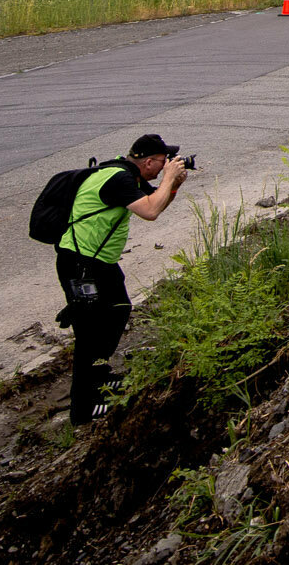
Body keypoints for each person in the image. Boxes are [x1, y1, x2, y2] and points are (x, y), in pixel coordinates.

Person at [56, 133, 190, 423]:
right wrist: (168, 179)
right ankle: (84, 408)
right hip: (80, 263)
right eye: (164, 162)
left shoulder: (129, 176)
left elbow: (154, 202)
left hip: (99, 262)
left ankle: (101, 378)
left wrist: (173, 186)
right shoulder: (118, 178)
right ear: (149, 162)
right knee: (90, 333)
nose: (166, 165)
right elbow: (151, 212)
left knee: (118, 310)